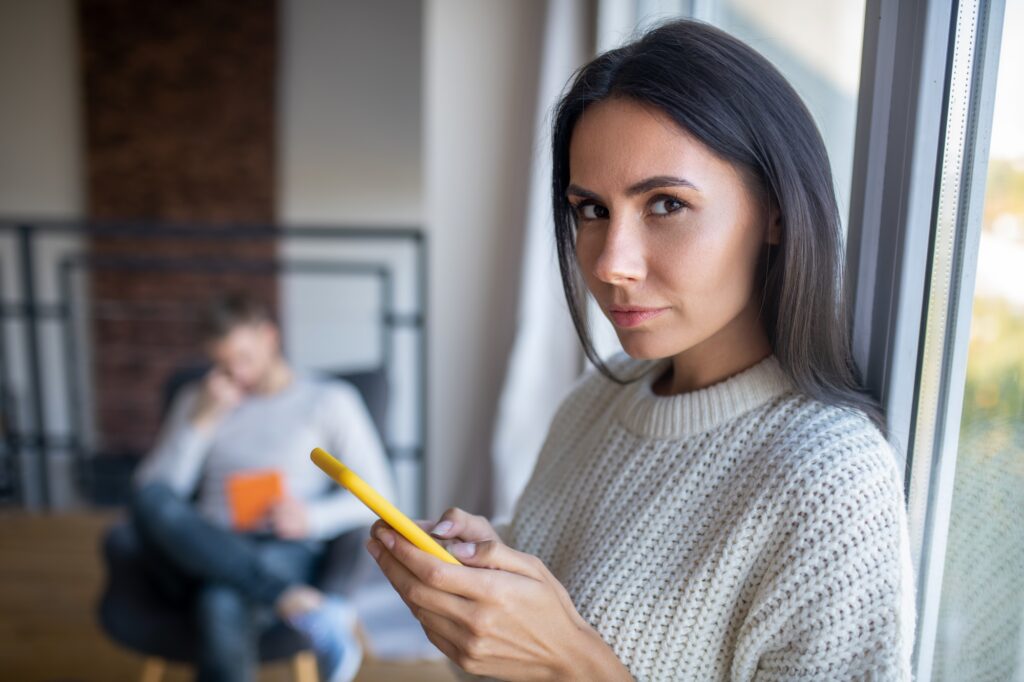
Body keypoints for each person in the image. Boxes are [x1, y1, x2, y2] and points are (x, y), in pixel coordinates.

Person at [364, 19, 915, 681]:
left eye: (664, 204)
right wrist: (490, 568)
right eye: (591, 210)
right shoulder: (599, 400)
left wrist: (574, 663)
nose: (612, 264)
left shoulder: (830, 479)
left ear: (776, 210)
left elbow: (571, 647)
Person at [130, 292, 396, 682]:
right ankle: (297, 603)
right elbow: (157, 491)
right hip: (203, 544)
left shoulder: (328, 400)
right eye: (221, 363)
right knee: (149, 497)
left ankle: (282, 594)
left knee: (220, 599)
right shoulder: (201, 398)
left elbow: (382, 495)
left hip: (283, 545)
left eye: (244, 358)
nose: (236, 374)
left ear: (269, 337)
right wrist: (200, 423)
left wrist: (312, 517)